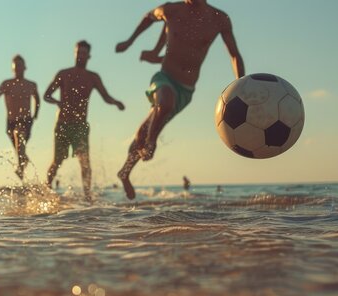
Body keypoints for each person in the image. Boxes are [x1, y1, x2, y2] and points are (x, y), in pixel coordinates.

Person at [115, 0, 245, 200]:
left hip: (186, 89)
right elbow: (148, 18)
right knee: (164, 104)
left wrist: (241, 84)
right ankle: (151, 143)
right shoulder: (170, 10)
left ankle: (125, 172)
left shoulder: (219, 19)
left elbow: (234, 55)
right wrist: (129, 41)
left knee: (147, 126)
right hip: (164, 78)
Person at [44, 41, 125, 201]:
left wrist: (116, 102)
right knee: (57, 161)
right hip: (62, 124)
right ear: (74, 53)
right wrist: (57, 103)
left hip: (80, 125)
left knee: (84, 162)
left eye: (83, 53)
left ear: (89, 56)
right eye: (78, 52)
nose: (80, 55)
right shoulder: (63, 74)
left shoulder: (92, 77)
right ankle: (46, 188)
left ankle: (87, 195)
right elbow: (46, 95)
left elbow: (106, 96)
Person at [0, 55, 40, 180]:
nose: (18, 69)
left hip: (26, 120)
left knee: (19, 136)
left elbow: (37, 99)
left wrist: (35, 115)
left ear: (25, 67)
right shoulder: (7, 84)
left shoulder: (31, 85)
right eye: (16, 66)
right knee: (19, 148)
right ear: (12, 68)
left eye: (20, 66)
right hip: (11, 121)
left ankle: (21, 170)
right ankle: (24, 161)